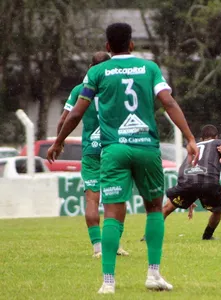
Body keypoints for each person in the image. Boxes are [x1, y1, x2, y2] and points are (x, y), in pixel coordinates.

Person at [47, 23, 198, 294]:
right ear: (131, 44)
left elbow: (76, 113)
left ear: (107, 46)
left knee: (113, 215)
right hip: (146, 148)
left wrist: (58, 142)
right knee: (153, 209)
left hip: (113, 150)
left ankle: (108, 282)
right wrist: (189, 137)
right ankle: (153, 274)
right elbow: (169, 103)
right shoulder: (149, 69)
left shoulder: (97, 71)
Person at [57, 52, 128, 258]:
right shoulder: (117, 87)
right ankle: (114, 245)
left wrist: (59, 141)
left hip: (91, 150)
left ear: (90, 67)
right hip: (114, 148)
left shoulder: (80, 90)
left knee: (92, 199)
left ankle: (98, 248)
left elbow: (66, 119)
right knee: (116, 199)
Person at [141, 124, 221, 242]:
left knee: (167, 208)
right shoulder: (218, 142)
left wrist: (188, 192)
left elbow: (186, 165)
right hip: (209, 181)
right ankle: (207, 236)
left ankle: (148, 236)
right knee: (217, 211)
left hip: (187, 181)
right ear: (216, 136)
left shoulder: (194, 146)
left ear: (201, 138)